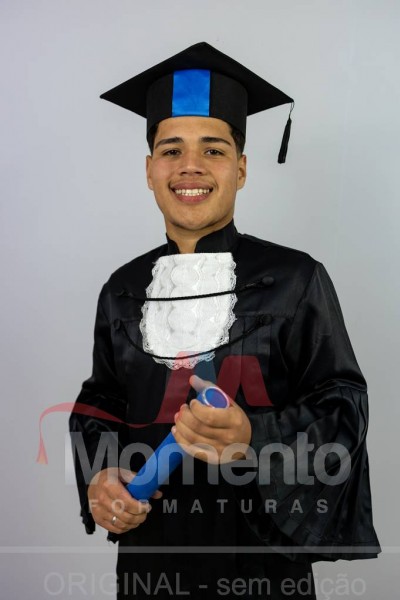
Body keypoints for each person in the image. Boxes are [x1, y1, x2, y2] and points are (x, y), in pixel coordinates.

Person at [70, 42, 380, 600]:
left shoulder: (295, 280)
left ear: (240, 169)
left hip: (262, 569)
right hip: (150, 566)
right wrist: (101, 476)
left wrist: (254, 439)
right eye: (171, 150)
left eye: (212, 149)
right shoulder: (122, 289)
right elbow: (101, 401)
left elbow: (344, 406)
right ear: (149, 171)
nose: (189, 166)